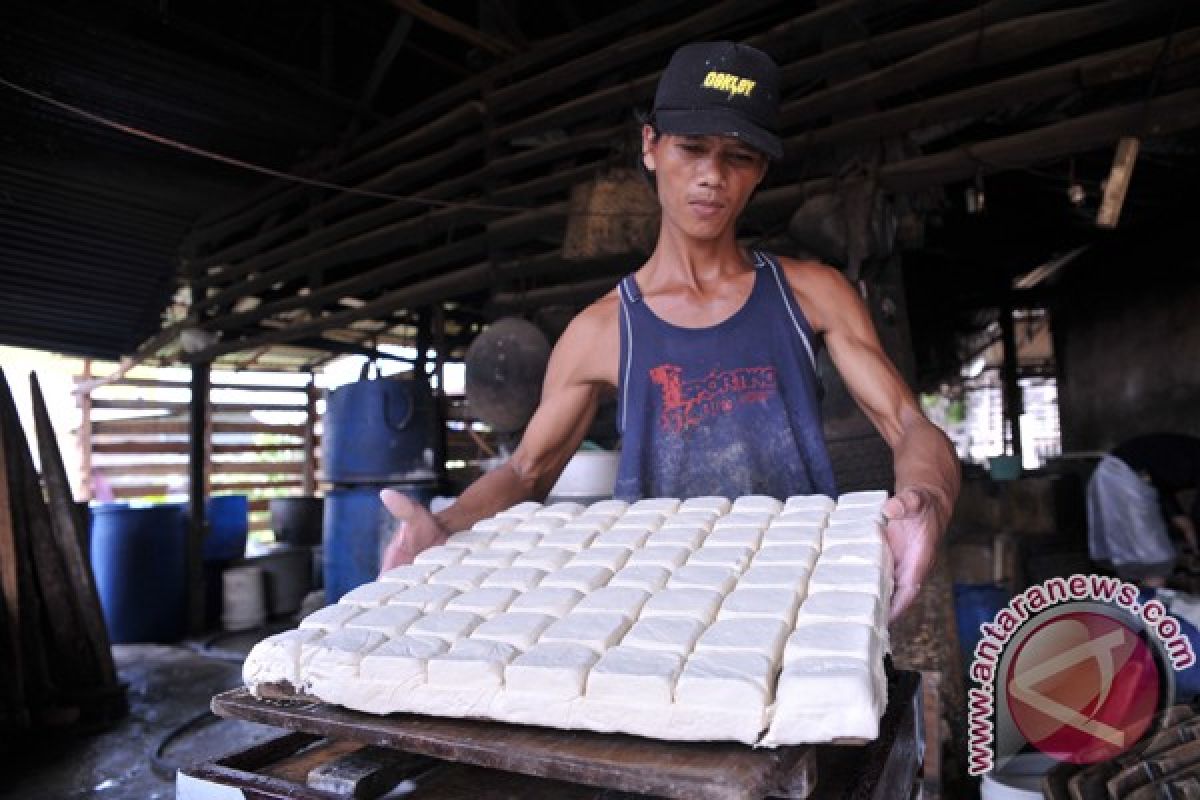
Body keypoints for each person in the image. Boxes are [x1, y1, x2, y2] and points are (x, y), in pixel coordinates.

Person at [380, 41, 960, 620]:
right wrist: (447, 524)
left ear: (759, 171)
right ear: (650, 145)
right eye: (692, 148)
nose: (712, 176)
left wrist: (928, 499)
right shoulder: (600, 331)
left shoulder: (811, 293)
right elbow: (525, 472)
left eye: (739, 156)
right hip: (661, 614)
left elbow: (908, 423)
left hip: (805, 602)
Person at [1089, 432, 1200, 585]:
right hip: (1127, 477)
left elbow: (1160, 481)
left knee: (1132, 554)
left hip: (1110, 472)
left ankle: (1134, 602)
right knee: (1155, 558)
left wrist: (1180, 518)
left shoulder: (1189, 452)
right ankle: (1150, 603)